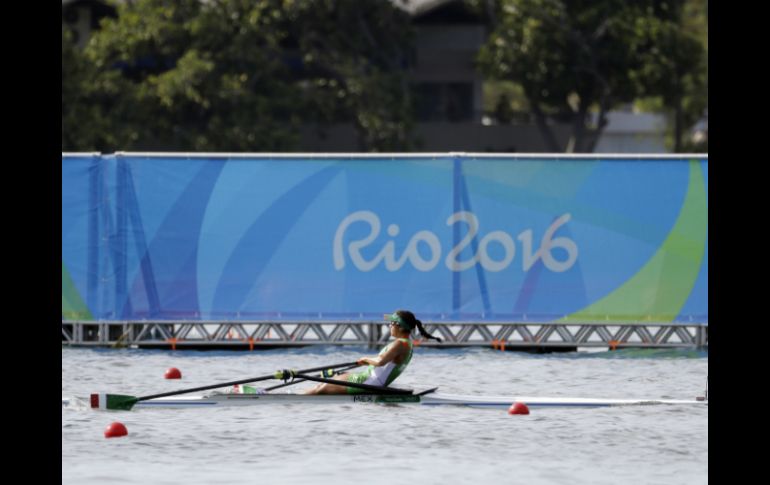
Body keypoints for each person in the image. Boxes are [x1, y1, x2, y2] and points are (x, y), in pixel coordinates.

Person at [304, 310, 442, 395]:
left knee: (321, 387)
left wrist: (365, 358)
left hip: (369, 383)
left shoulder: (400, 344)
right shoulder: (408, 344)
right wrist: (368, 361)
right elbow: (384, 361)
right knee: (336, 376)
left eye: (391, 323)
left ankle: (295, 400)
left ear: (399, 326)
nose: (389, 325)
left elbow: (381, 361)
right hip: (371, 379)